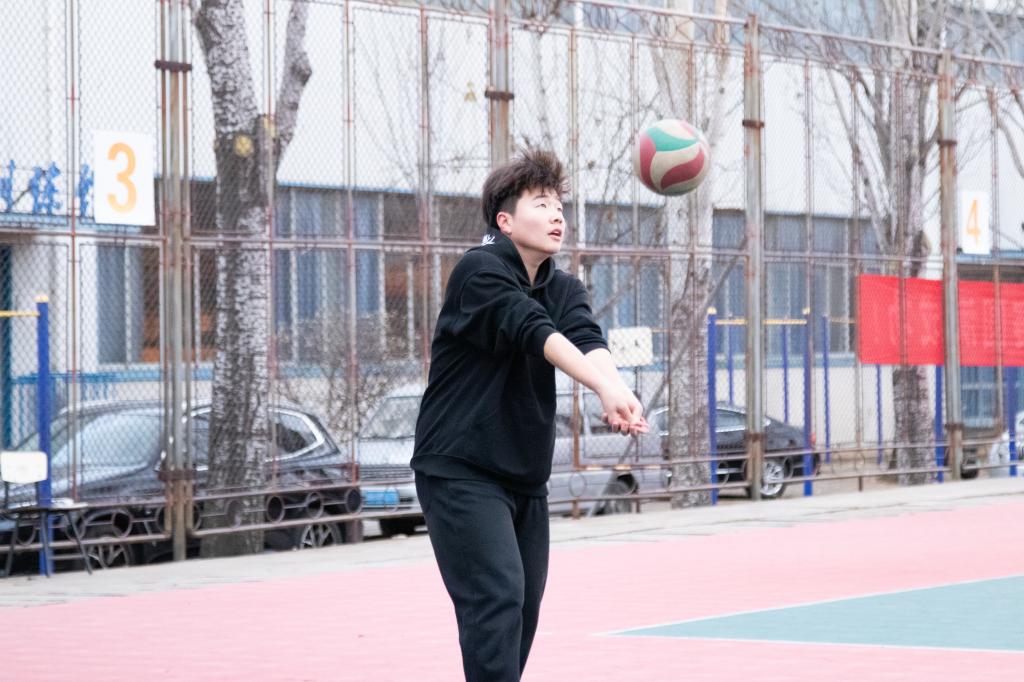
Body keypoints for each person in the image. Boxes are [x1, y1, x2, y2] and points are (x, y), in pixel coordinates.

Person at [411, 149, 648, 681]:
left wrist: (616, 389)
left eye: (559, 205)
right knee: (496, 597)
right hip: (460, 468)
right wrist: (601, 388)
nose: (557, 215)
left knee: (522, 611)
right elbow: (533, 330)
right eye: (541, 204)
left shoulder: (563, 287)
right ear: (505, 221)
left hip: (522, 474)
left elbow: (585, 338)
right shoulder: (479, 270)